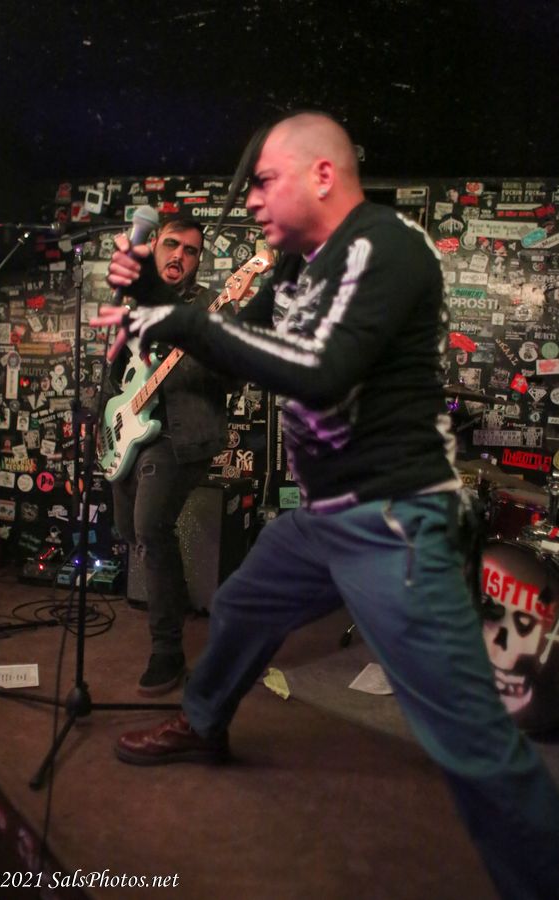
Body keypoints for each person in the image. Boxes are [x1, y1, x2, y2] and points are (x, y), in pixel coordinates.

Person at [93, 112, 559, 899]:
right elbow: (231, 353)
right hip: (325, 517)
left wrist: (187, 319)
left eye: (266, 181)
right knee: (242, 605)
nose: (252, 201)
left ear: (322, 175)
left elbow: (320, 370)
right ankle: (203, 722)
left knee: (465, 734)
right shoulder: (294, 270)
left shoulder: (385, 246)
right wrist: (151, 302)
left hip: (394, 519)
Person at [107, 217, 231, 694]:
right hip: (130, 432)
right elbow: (118, 377)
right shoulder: (133, 302)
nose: (180, 255)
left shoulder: (209, 307)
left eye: (191, 250)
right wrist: (110, 422)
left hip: (180, 435)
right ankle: (177, 606)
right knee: (130, 531)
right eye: (172, 244)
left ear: (198, 261)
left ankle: (168, 649)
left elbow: (230, 375)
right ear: (155, 244)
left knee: (151, 527)